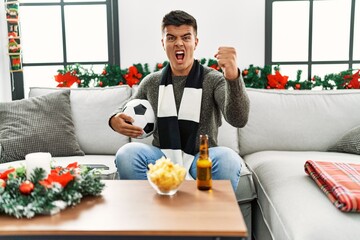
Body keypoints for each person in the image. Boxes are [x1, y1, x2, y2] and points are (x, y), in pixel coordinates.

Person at [109, 10, 250, 191]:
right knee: (127, 153)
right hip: (161, 158)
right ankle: (147, 213)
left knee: (229, 159)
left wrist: (232, 77)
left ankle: (212, 217)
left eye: (185, 37)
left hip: (201, 157)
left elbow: (239, 119)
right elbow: (126, 108)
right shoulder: (152, 82)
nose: (178, 43)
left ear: (195, 42)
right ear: (163, 43)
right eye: (171, 38)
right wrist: (114, 119)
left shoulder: (213, 79)